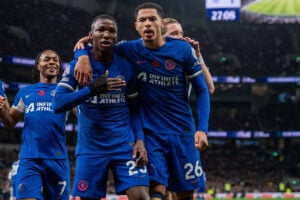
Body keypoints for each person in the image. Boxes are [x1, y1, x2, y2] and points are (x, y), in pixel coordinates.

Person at [74, 3, 210, 200]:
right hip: (150, 134)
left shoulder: (182, 50)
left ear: (161, 24)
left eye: (152, 19)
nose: (147, 24)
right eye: (142, 20)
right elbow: (92, 46)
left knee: (185, 194)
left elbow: (203, 90)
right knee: (155, 190)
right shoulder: (128, 49)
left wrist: (202, 129)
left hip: (183, 132)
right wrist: (81, 57)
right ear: (136, 25)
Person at [52, 14, 149, 200]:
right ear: (91, 35)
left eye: (111, 31)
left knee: (142, 197)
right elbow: (58, 104)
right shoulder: (77, 66)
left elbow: (135, 110)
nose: (106, 35)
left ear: (116, 37)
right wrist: (93, 88)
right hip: (91, 148)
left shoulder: (126, 68)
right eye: (101, 30)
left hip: (124, 145)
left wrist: (140, 140)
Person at [0, 50, 70, 200]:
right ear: (38, 66)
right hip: (30, 160)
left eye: (55, 60)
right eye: (47, 59)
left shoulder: (66, 92)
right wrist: (1, 109)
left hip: (57, 160)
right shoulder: (25, 93)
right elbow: (10, 122)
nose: (52, 62)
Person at [162, 17, 215, 95]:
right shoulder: (146, 56)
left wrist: (197, 55)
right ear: (160, 37)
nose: (180, 37)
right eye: (174, 33)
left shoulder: (186, 60)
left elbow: (209, 89)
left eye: (181, 33)